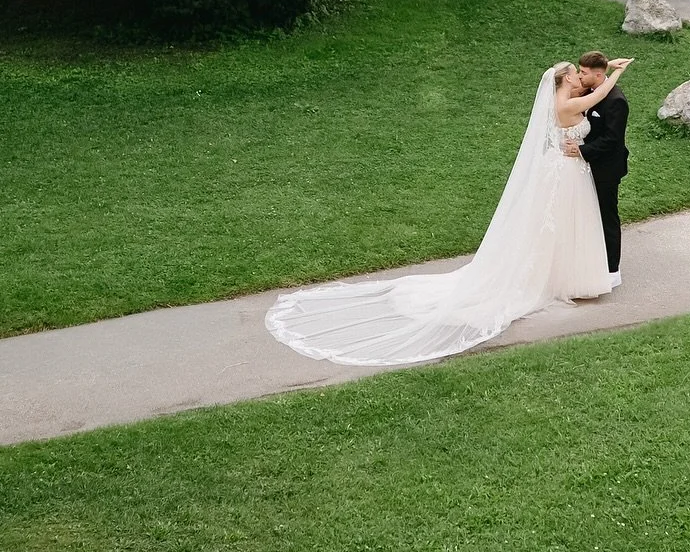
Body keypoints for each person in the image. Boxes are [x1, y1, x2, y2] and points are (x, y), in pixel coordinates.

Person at [265, 56, 634, 366]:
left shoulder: (565, 98)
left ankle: (565, 273)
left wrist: (605, 71)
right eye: (576, 73)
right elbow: (599, 93)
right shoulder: (568, 104)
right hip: (565, 173)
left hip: (566, 171)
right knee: (561, 225)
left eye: (583, 73)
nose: (580, 77)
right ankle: (562, 277)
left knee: (559, 227)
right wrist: (615, 72)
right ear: (565, 79)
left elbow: (595, 95)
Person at [568, 50, 630, 290]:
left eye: (583, 72)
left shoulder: (616, 101)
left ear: (597, 75)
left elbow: (612, 139)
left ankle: (613, 270)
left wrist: (582, 150)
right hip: (583, 167)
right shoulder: (587, 90)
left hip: (605, 169)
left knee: (606, 216)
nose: (579, 76)